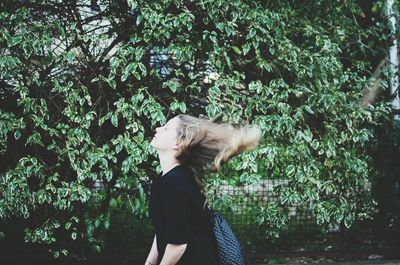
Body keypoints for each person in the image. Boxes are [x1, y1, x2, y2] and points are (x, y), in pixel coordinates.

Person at [144, 114, 262, 265]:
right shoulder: (168, 179)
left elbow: (178, 245)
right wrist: (150, 262)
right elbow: (165, 226)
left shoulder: (174, 183)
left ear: (178, 143)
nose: (158, 129)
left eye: (166, 129)